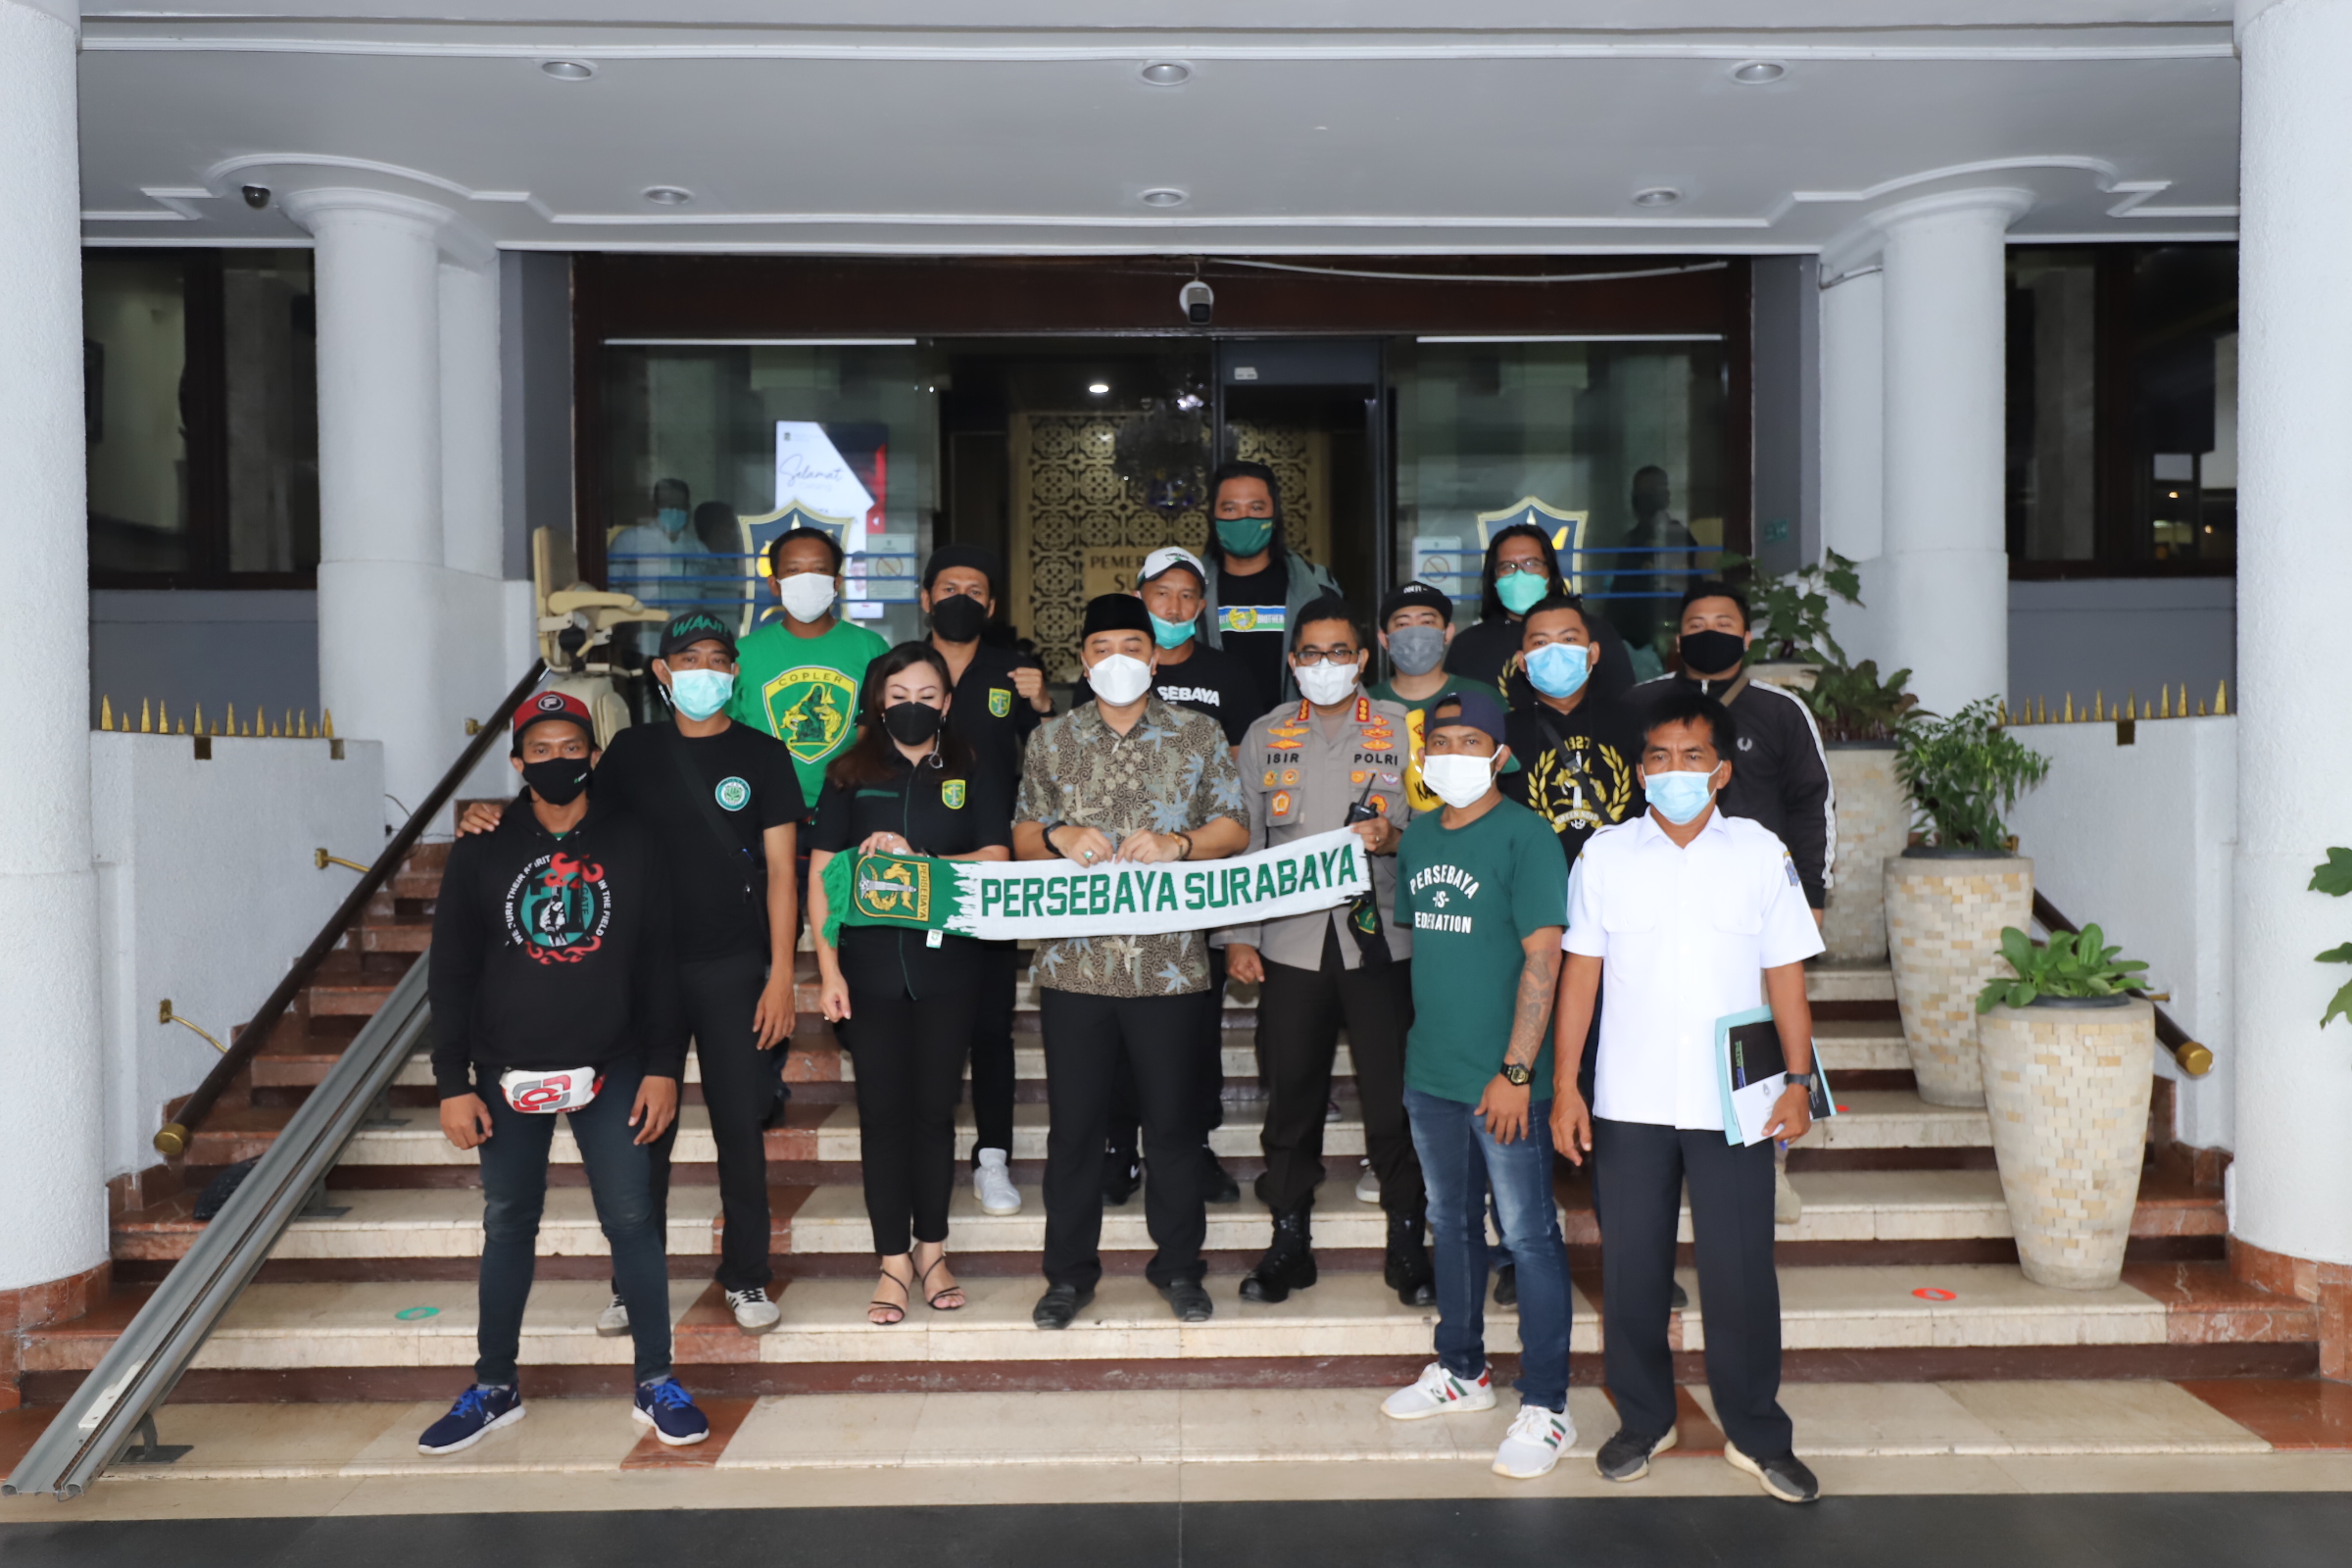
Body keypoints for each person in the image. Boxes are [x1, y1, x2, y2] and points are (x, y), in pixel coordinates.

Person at [460, 613, 804, 1337]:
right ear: (663, 672)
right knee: (643, 1133)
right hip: (639, 971)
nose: (705, 670)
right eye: (689, 658)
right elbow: (564, 809)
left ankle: (746, 1274)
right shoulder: (632, 753)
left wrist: (780, 976)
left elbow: (781, 872)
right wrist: (491, 816)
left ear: (735, 671)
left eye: (718, 658)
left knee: (740, 1127)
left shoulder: (764, 755)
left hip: (732, 967)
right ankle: (631, 1284)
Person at [1551, 689, 1826, 1505]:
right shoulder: (1604, 856)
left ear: (1722, 771)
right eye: (1660, 757)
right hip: (1630, 1101)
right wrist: (1565, 1087)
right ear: (1640, 772)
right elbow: (1579, 979)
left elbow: (1786, 976)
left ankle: (1758, 1433)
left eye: (1693, 756)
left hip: (1736, 1104)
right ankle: (1644, 1421)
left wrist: (1800, 1083)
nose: (1676, 771)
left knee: (1741, 1274)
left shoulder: (1760, 854)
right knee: (1633, 1271)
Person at [418, 691, 710, 1454]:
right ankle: (494, 1386)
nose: (557, 761)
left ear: (594, 756)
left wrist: (663, 1068)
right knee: (509, 1222)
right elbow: (451, 973)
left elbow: (659, 962)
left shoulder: (636, 840)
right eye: (540, 750)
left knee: (633, 1220)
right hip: (505, 1070)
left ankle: (656, 1381)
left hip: (614, 1064)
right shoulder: (482, 845)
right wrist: (452, 1082)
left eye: (571, 747)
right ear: (518, 762)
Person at [1016, 594, 1250, 1329]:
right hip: (1074, 968)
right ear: (1083, 662)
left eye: (1132, 645)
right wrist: (1056, 837)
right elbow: (1021, 832)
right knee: (1075, 1131)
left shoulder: (1198, 732)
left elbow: (1236, 827)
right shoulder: (1051, 740)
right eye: (1102, 648)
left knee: (1173, 1128)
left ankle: (1179, 1268)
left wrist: (1181, 844)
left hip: (1170, 966)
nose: (1117, 659)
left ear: (1154, 657)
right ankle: (1067, 1277)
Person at [1379, 688, 1574, 1480]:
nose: (1452, 754)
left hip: (1506, 1081)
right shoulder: (1422, 838)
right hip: (1432, 1072)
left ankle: (1549, 1406)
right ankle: (1461, 1369)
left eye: (1469, 742)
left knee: (1528, 1236)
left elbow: (1544, 957)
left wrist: (1517, 1072)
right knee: (1450, 1223)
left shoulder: (1528, 836)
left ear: (1500, 755)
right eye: (1441, 742)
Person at [1222, 597, 1430, 1307]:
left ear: (1362, 658)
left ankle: (1408, 1240)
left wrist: (1394, 840)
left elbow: (1439, 830)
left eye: (1339, 652)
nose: (1325, 665)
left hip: (1386, 941)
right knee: (1291, 1097)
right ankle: (1289, 1241)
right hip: (1290, 943)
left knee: (1394, 1098)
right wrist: (1239, 936)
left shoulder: (1405, 731)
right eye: (1311, 653)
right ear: (1293, 661)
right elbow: (1247, 840)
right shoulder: (1266, 734)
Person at [808, 642, 1014, 1324]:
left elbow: (997, 855)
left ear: (947, 704)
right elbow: (822, 876)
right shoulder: (847, 773)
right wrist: (828, 970)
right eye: (899, 697)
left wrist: (924, 863)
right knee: (882, 1115)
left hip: (949, 967)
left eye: (927, 696)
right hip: (867, 971)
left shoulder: (973, 767)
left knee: (934, 1111)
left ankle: (933, 1249)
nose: (913, 708)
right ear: (879, 703)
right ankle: (892, 1259)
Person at [1093, 544, 1259, 1210]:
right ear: (1140, 597)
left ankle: (1194, 1145)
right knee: (1116, 1025)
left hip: (1195, 881)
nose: (1175, 605)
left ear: (1203, 605)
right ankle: (1119, 1147)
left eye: (1188, 594)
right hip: (1115, 887)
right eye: (1161, 592)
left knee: (1194, 1026)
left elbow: (1240, 782)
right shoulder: (1110, 670)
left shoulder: (1230, 674)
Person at [728, 526, 892, 1112]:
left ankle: (862, 1050)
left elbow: (879, 734)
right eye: (793, 571)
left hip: (845, 822)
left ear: (838, 580)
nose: (806, 581)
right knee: (761, 956)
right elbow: (730, 737)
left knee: (850, 940)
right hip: (766, 827)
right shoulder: (746, 655)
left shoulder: (869, 649)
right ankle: (762, 1080)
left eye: (818, 570)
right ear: (773, 584)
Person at [918, 544, 1051, 1219]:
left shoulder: (1012, 673)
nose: (961, 600)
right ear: (925, 599)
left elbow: (1056, 751)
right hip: (918, 866)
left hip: (994, 866)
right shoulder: (901, 670)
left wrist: (1045, 700)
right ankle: (924, 1153)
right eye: (949, 588)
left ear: (992, 605)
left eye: (975, 590)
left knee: (992, 1023)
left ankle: (992, 1157)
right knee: (925, 1017)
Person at [1625, 583, 1835, 926]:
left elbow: (1811, 804)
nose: (1709, 633)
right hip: (1652, 888)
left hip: (1755, 893)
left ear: (1746, 638)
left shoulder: (1780, 711)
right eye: (1696, 625)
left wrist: (1810, 894)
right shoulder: (1637, 704)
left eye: (1723, 624)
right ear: (1679, 640)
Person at [1498, 595, 1642, 868]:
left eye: (1568, 639)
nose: (1555, 651)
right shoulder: (1501, 734)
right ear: (1522, 661)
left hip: (1619, 879)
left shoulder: (1637, 723)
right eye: (1540, 642)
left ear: (1593, 652)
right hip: (1533, 880)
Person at [1197, 460, 1340, 710]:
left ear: (1274, 515)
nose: (1243, 518)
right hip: (1214, 730)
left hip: (1297, 729)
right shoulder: (1191, 589)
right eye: (1230, 508)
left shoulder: (1316, 587)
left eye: (1256, 508)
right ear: (1213, 516)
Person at [1444, 521, 1634, 703]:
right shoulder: (1468, 646)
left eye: (1531, 564)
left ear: (1550, 572)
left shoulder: (1595, 633)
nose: (1520, 574)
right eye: (1508, 566)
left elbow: (1626, 706)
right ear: (1494, 578)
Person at [1367, 580, 1492, 819]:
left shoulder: (1482, 698)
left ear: (1448, 633)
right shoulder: (1365, 704)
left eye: (1427, 622)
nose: (1415, 633)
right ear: (1384, 639)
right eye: (1402, 624)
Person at [1601, 466, 1701, 672]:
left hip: (1671, 642)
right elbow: (1618, 594)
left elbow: (1683, 589)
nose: (1647, 498)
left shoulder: (1677, 537)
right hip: (1631, 644)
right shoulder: (1630, 542)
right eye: (1642, 492)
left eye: (1654, 490)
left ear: (1666, 495)